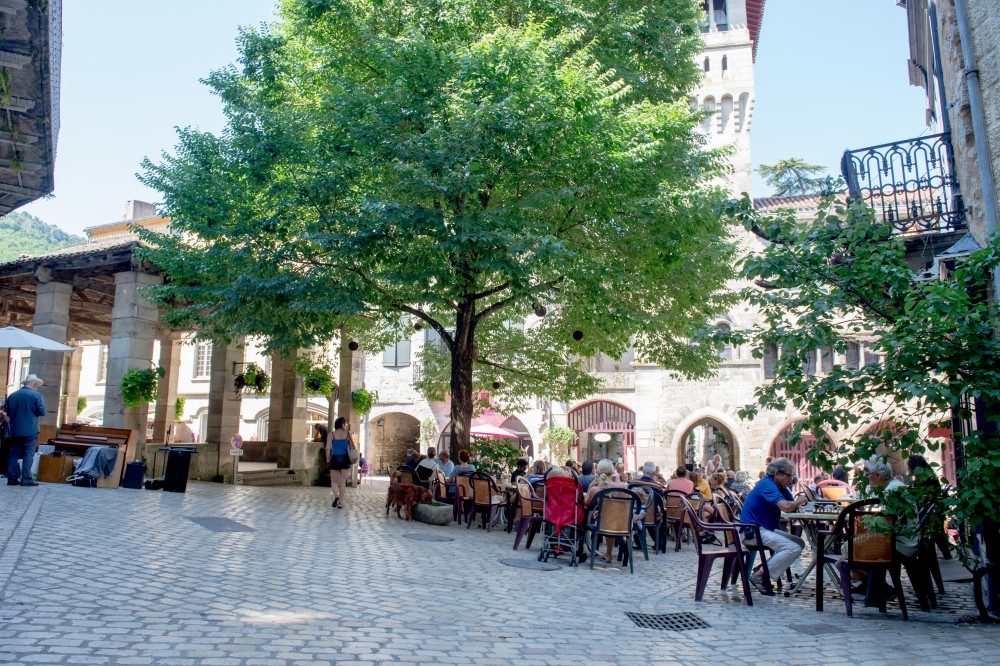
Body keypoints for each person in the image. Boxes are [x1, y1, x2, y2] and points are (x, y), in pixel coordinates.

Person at [740, 457, 808, 595]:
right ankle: (759, 575)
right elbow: (787, 507)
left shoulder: (780, 487)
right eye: (789, 476)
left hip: (764, 529)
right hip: (752, 532)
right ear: (777, 474)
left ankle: (763, 569)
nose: (791, 479)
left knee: (799, 543)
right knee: (792, 548)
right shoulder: (767, 485)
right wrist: (799, 501)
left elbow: (791, 504)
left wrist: (797, 503)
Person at [865, 457, 918, 558]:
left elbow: (880, 522)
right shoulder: (895, 485)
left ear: (878, 475)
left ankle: (865, 573)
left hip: (902, 543)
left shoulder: (890, 491)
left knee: (852, 547)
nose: (866, 478)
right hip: (905, 538)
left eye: (867, 474)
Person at [2, 374, 46, 486]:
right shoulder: (36, 395)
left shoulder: (13, 395)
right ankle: (26, 478)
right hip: (30, 429)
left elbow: (8, 412)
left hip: (15, 429)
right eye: (37, 385)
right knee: (28, 454)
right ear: (34, 384)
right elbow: (42, 412)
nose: (37, 387)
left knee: (14, 453)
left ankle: (12, 478)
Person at [326, 417, 354, 509]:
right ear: (342, 424)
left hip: (334, 458)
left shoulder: (331, 434)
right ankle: (340, 503)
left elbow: (327, 448)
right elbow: (352, 446)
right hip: (345, 459)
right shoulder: (348, 434)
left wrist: (327, 460)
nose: (345, 425)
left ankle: (336, 496)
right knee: (342, 482)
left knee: (334, 481)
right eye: (344, 423)